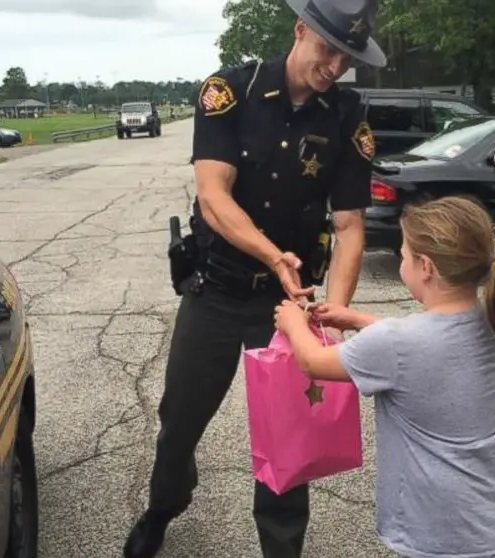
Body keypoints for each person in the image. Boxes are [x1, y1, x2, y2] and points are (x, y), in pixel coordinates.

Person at [122, 0, 388, 556]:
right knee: (179, 423)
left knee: (289, 436)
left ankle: (282, 547)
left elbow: (350, 228)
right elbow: (214, 198)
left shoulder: (347, 119)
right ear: (300, 30)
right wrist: (273, 256)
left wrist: (334, 314)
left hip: (288, 308)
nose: (335, 66)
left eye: (348, 57)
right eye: (329, 49)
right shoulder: (230, 93)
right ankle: (164, 507)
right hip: (217, 293)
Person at [273, 195, 495, 558]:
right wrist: (357, 319)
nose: (401, 260)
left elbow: (313, 362)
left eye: (404, 254)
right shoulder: (494, 317)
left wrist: (291, 322)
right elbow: (424, 344)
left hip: (445, 539)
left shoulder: (397, 342)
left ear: (425, 266)